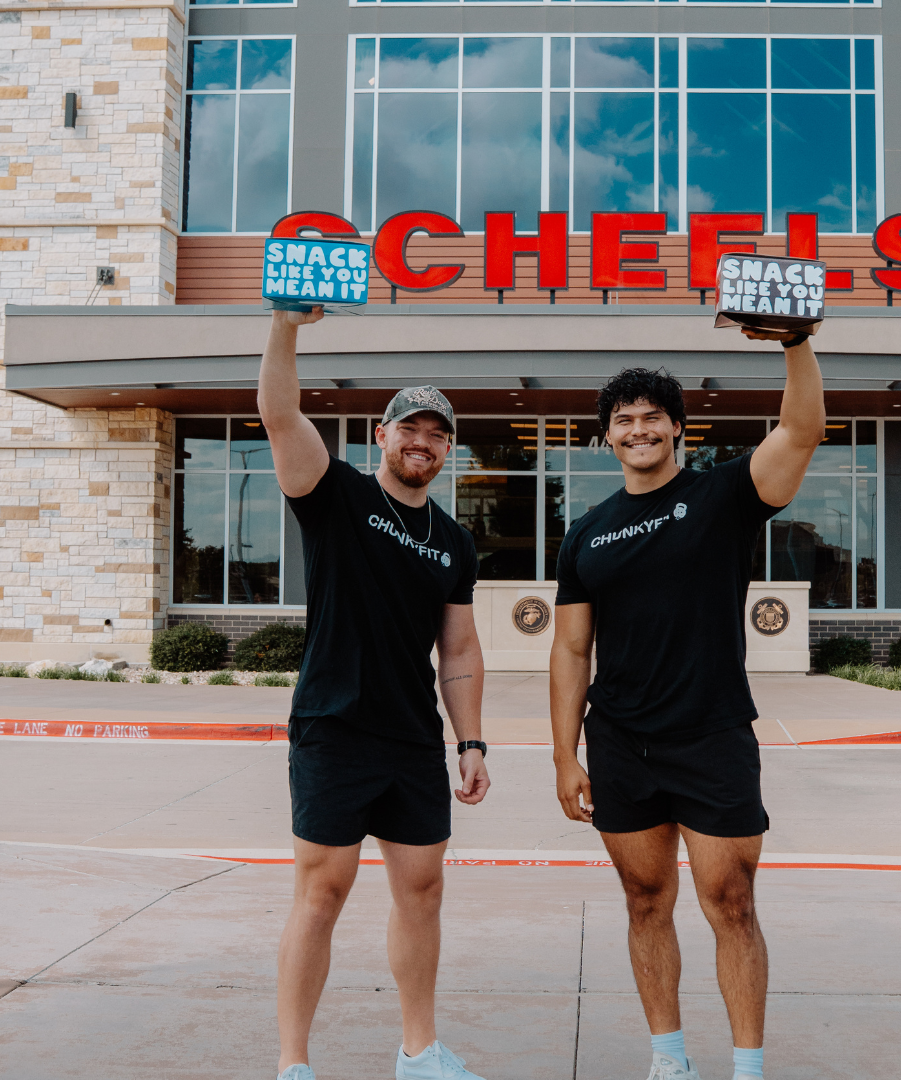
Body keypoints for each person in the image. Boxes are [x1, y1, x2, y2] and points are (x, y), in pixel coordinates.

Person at [550, 328, 825, 1080]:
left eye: (651, 416)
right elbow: (572, 650)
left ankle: (748, 1066)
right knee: (645, 900)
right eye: (623, 420)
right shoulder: (586, 535)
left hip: (711, 734)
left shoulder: (723, 496)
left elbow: (802, 429)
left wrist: (796, 343)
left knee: (730, 901)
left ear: (678, 427)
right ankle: (669, 1059)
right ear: (608, 437)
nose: (638, 429)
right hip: (620, 744)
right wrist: (563, 753)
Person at [258, 306, 492, 1080]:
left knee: (422, 890)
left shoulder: (453, 542)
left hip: (410, 739)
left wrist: (471, 741)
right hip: (333, 725)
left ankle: (418, 1051)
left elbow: (457, 646)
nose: (421, 441)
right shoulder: (336, 496)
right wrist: (286, 327)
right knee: (322, 889)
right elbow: (280, 411)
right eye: (408, 427)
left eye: (436, 433)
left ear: (448, 451)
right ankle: (293, 1064)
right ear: (382, 437)